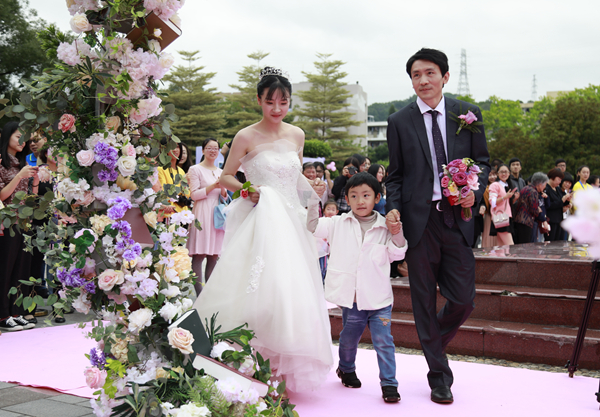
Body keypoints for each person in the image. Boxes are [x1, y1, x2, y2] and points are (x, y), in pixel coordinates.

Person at [193, 67, 333, 392]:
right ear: (258, 100)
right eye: (270, 101)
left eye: (283, 102)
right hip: (260, 220)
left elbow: (294, 179)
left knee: (290, 292)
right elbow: (227, 177)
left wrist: (314, 189)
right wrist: (247, 189)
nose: (277, 108)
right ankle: (245, 360)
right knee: (258, 289)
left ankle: (280, 367)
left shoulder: (297, 135)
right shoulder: (245, 136)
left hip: (292, 223)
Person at [385, 48, 490, 403]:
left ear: (444, 76)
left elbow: (483, 163)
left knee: (463, 300)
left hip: (457, 218)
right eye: (416, 75)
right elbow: (395, 175)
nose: (423, 80)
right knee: (423, 301)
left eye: (430, 73)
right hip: (420, 222)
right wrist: (394, 209)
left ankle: (431, 341)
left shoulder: (467, 115)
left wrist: (473, 190)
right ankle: (438, 375)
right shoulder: (399, 121)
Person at [307, 172, 407, 403]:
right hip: (352, 299)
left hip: (379, 298)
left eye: (366, 195)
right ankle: (346, 368)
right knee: (349, 339)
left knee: (384, 341)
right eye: (354, 196)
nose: (360, 201)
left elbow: (398, 253)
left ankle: (389, 384)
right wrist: (314, 200)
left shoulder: (385, 226)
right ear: (347, 199)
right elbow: (311, 226)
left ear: (377, 198)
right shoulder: (338, 223)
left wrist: (397, 231)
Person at [0, 122, 39, 331]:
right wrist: (19, 176)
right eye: (18, 136)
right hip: (6, 223)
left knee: (21, 270)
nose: (22, 141)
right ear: (7, 137)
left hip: (24, 223)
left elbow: (32, 198)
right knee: (5, 269)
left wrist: (35, 179)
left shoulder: (23, 164)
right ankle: (3, 315)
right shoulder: (2, 163)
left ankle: (17, 312)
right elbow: (2, 196)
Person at [187, 138, 227, 295]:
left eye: (216, 148)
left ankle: (208, 295)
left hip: (217, 214)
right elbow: (194, 195)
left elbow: (224, 196)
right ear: (203, 150)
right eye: (209, 148)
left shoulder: (221, 172)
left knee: (214, 255)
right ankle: (199, 294)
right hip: (202, 213)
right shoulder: (195, 169)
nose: (213, 151)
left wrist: (222, 188)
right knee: (199, 254)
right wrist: (213, 186)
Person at [513, 172, 549, 244]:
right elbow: (533, 210)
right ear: (540, 184)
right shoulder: (534, 192)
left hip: (518, 220)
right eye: (545, 184)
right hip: (526, 221)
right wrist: (538, 210)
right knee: (526, 245)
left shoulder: (525, 188)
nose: (545, 187)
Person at [158, 142, 191, 214]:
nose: (175, 149)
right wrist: (181, 183)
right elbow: (163, 194)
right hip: (169, 213)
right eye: (171, 147)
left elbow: (187, 194)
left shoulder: (181, 171)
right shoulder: (161, 169)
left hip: (183, 213)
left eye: (178, 147)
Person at [489, 164, 516, 246]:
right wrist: (505, 197)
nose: (504, 174)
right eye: (501, 172)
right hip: (500, 217)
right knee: (509, 245)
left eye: (506, 172)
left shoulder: (507, 185)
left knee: (501, 247)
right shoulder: (495, 185)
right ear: (498, 173)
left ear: (509, 173)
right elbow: (492, 202)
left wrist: (513, 198)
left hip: (505, 217)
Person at [544, 168, 571, 242]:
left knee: (559, 242)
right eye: (558, 179)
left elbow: (561, 203)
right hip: (551, 220)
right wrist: (562, 200)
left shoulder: (558, 189)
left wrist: (567, 200)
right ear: (552, 177)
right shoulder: (546, 188)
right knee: (551, 241)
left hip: (559, 219)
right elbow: (548, 205)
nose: (560, 182)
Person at [316, 200, 338, 282]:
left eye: (333, 209)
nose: (330, 211)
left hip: (333, 249)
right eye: (328, 209)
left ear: (337, 212)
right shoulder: (320, 221)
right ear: (323, 210)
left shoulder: (338, 223)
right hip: (322, 248)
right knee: (322, 266)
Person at [480, 169, 498, 248]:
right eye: (490, 175)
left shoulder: (501, 186)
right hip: (488, 215)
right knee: (488, 236)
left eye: (494, 174)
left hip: (499, 215)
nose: (492, 177)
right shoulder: (484, 188)